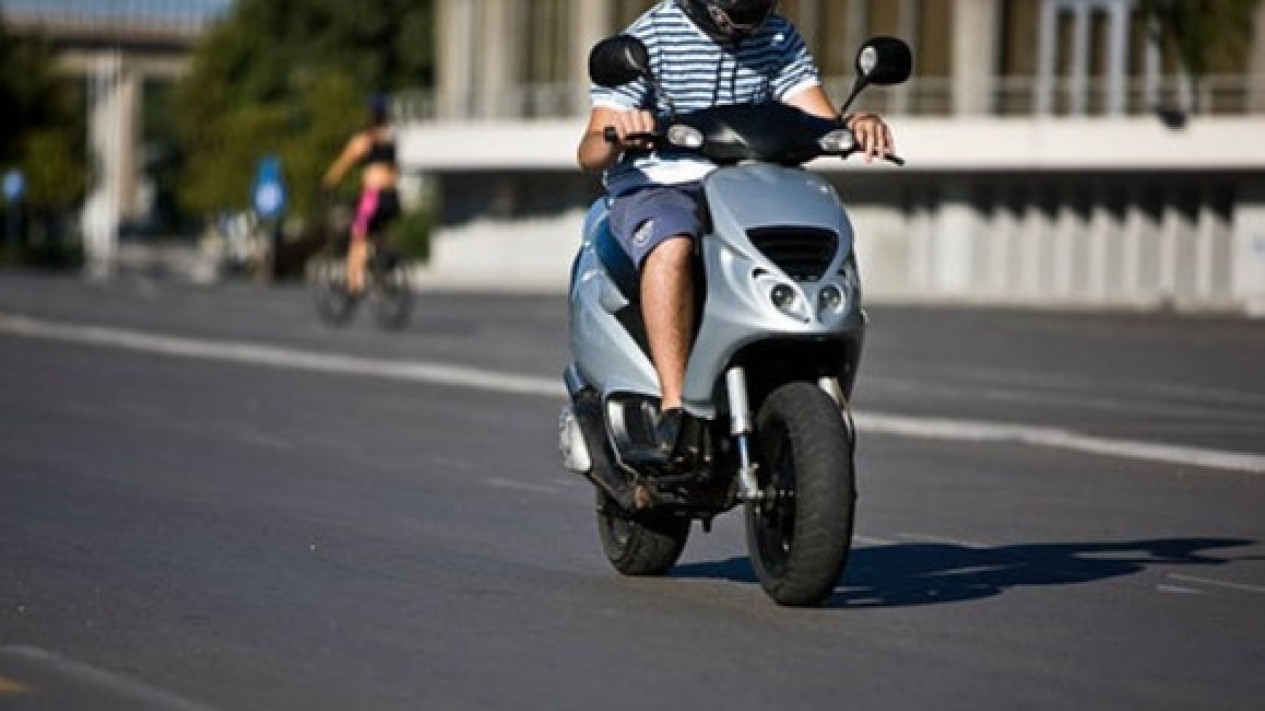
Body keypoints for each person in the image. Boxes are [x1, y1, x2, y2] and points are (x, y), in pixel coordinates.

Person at [575, 0, 895, 460]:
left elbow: (820, 122)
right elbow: (589, 151)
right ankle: (675, 409)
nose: (747, 20)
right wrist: (620, 132)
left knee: (813, 230)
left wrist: (856, 124)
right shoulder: (650, 37)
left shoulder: (779, 36)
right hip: (662, 183)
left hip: (751, 181)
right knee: (672, 244)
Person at [322, 95, 401, 294]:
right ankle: (382, 266)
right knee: (377, 232)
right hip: (392, 197)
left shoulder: (364, 141)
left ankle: (355, 283)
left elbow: (343, 163)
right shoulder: (391, 139)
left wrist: (327, 184)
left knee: (358, 234)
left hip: (372, 198)